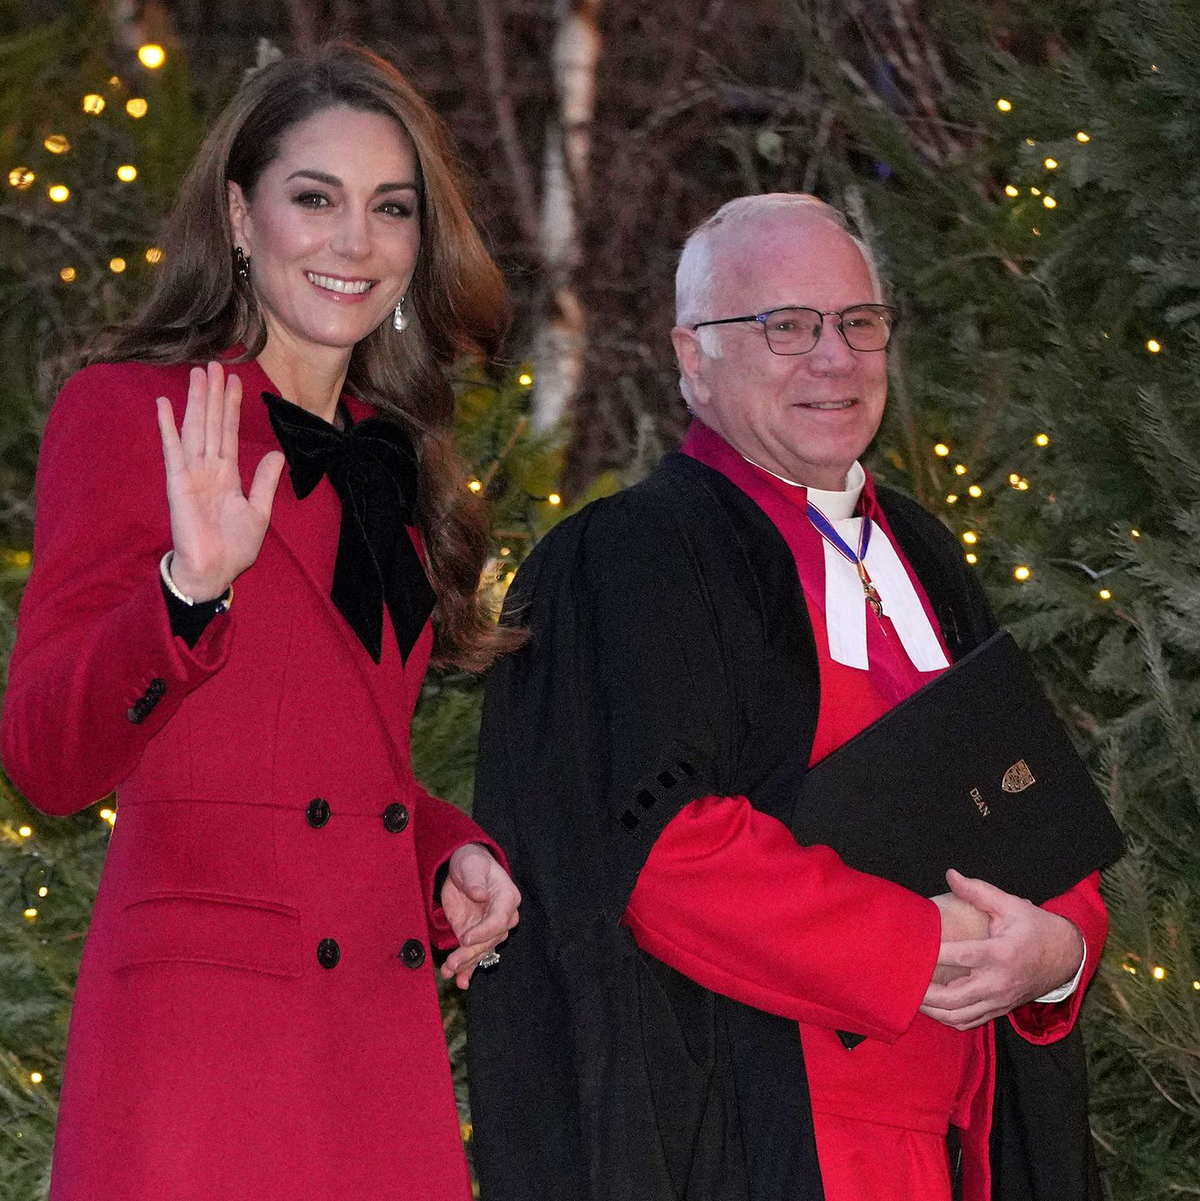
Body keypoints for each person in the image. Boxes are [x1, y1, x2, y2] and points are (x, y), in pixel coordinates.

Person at [467, 194, 1108, 1201]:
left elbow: (1031, 807)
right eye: (786, 325)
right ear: (692, 355)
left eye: (859, 323)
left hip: (960, 1142)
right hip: (765, 1134)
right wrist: (920, 942)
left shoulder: (930, 557)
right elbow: (659, 856)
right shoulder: (629, 559)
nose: (834, 357)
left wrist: (1062, 944)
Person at [0, 43, 521, 1201]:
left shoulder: (402, 460)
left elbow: (334, 768)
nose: (355, 243)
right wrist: (186, 591)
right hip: (202, 1070)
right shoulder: (129, 413)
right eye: (315, 199)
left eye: (391, 209)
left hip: (373, 1059)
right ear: (240, 216)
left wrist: (447, 850)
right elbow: (43, 754)